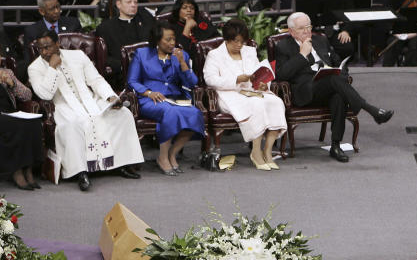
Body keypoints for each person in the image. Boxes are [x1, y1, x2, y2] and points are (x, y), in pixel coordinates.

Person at [28, 30, 143, 190]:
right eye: (40, 48)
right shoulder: (34, 68)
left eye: (48, 47)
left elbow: (95, 80)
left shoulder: (78, 56)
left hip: (90, 101)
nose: (44, 52)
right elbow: (45, 95)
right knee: (72, 125)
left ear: (57, 44)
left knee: (122, 114)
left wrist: (110, 97)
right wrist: (52, 68)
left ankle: (120, 164)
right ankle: (80, 172)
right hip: (65, 107)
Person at [273, 12, 394, 163]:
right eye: (301, 28)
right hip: (305, 91)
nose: (306, 31)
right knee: (333, 81)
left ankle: (335, 146)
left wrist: (341, 73)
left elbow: (339, 63)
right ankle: (370, 109)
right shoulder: (284, 46)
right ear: (291, 31)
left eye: (308, 27)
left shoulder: (320, 40)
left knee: (338, 95)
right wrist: (302, 55)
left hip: (329, 85)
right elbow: (281, 75)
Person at [203, 19, 286, 171]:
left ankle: (267, 151)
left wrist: (263, 84)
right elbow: (210, 79)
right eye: (236, 41)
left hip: (252, 90)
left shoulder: (249, 51)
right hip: (229, 94)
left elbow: (257, 72)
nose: (239, 45)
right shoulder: (215, 55)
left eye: (242, 42)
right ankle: (255, 151)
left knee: (276, 102)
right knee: (256, 104)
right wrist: (236, 79)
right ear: (227, 39)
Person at [127, 23, 206, 176]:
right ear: (157, 40)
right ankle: (162, 157)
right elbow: (132, 81)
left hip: (175, 98)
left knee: (195, 113)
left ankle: (172, 153)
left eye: (173, 39)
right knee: (168, 111)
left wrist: (182, 62)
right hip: (150, 100)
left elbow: (192, 83)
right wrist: (148, 92)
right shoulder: (142, 54)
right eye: (167, 40)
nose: (172, 43)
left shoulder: (180, 55)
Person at [96, 0, 157, 74]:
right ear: (118, 4)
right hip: (122, 73)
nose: (133, 5)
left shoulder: (147, 22)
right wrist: (122, 65)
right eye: (129, 2)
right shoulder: (105, 28)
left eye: (135, 2)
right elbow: (103, 56)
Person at [0, 66, 42, 191]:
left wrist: (11, 83)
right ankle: (16, 170)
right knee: (16, 124)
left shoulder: (7, 72)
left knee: (33, 121)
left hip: (9, 112)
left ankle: (28, 168)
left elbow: (27, 96)